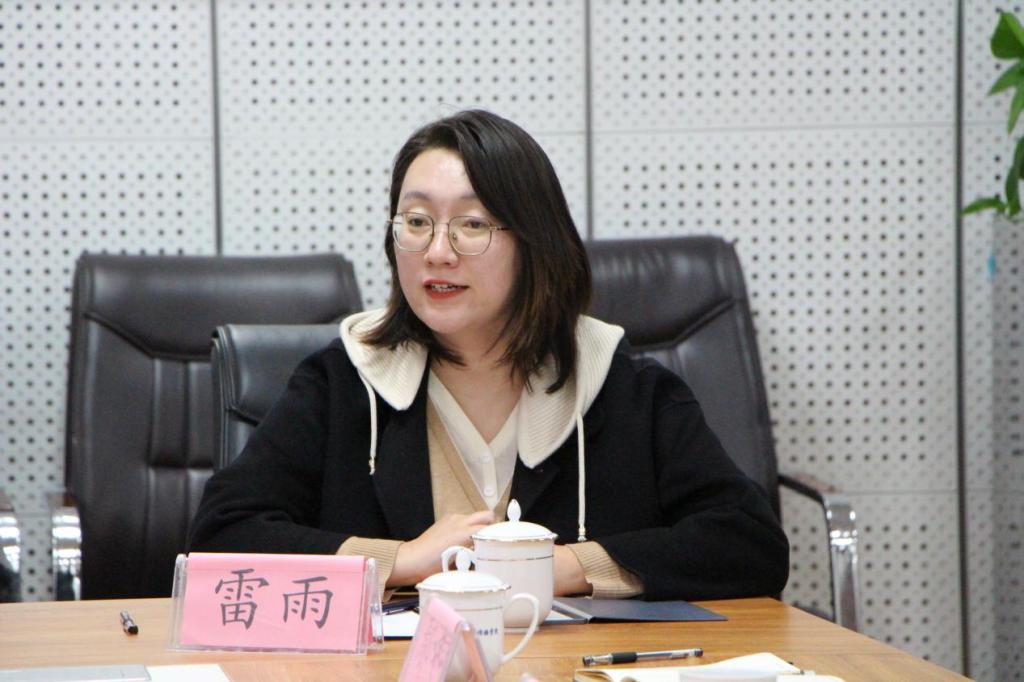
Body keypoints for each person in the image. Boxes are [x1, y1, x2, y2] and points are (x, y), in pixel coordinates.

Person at [188, 109, 789, 600]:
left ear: (535, 242)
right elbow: (221, 534)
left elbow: (749, 542)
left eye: (471, 225)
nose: (437, 251)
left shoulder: (620, 384)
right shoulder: (345, 380)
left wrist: (566, 567)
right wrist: (400, 561)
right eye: (416, 221)